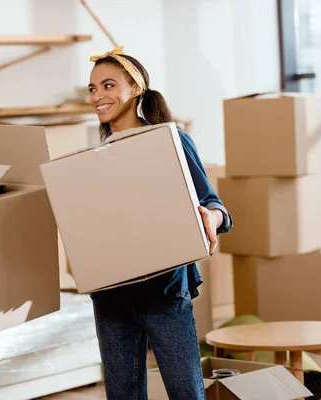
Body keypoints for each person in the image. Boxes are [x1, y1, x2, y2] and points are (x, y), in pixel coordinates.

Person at [86, 46, 233, 400]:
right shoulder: (92, 158)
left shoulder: (171, 141)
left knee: (187, 394)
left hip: (163, 290)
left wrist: (210, 218)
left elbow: (217, 206)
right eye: (92, 89)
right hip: (111, 294)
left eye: (108, 85)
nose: (98, 96)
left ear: (135, 89)